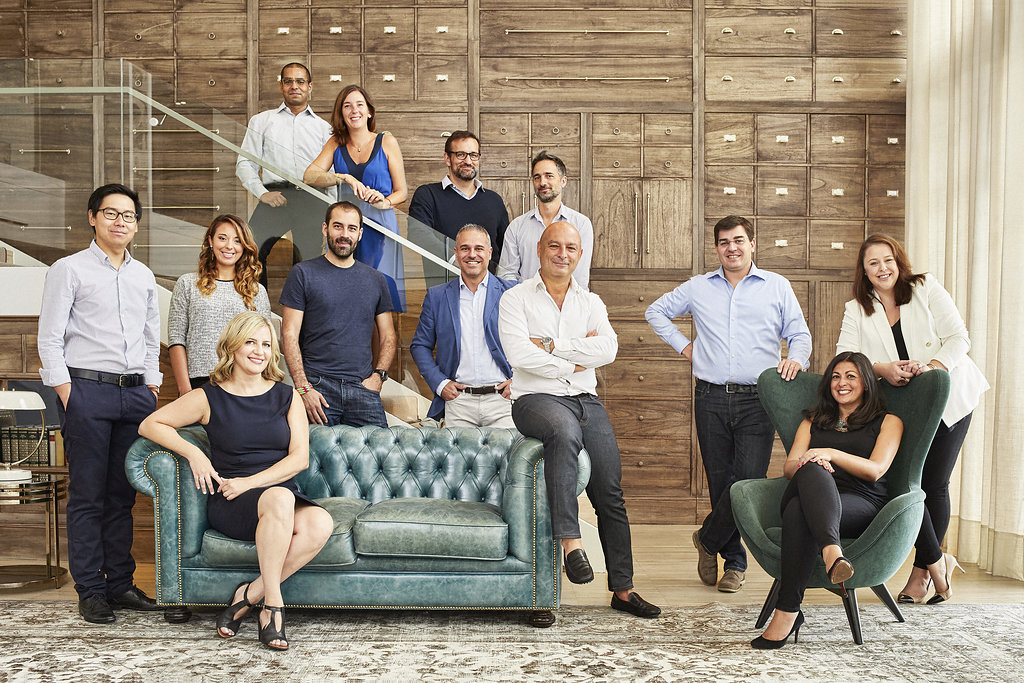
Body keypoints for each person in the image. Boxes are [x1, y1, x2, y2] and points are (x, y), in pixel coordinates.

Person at [139, 312, 333, 651]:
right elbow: (150, 424)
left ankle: (248, 595)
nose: (259, 351)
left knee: (320, 522)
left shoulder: (287, 396)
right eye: (251, 342)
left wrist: (250, 482)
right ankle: (273, 606)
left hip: (273, 493)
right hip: (233, 500)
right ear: (232, 346)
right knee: (280, 499)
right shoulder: (208, 397)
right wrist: (194, 453)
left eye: (266, 344)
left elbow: (299, 459)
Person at [498, 220, 661, 619]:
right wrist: (575, 360)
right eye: (554, 246)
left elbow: (608, 349)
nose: (563, 254)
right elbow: (520, 356)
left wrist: (554, 347)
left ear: (580, 254)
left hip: (587, 400)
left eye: (571, 248)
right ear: (540, 249)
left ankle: (623, 590)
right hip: (534, 400)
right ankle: (572, 544)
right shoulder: (515, 299)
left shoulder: (591, 302)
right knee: (563, 431)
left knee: (610, 491)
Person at [645, 215, 811, 593]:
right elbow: (655, 311)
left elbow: (799, 334)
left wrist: (797, 359)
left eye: (738, 240)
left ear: (752, 244)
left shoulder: (777, 286)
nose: (731, 248)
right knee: (721, 484)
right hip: (710, 398)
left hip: (758, 400)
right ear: (717, 247)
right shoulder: (698, 287)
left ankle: (707, 539)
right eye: (724, 242)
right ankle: (735, 563)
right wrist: (685, 347)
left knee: (747, 482)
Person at [836, 234, 988, 605]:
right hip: (902, 408)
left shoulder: (925, 288)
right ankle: (938, 561)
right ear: (864, 271)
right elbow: (845, 356)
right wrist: (882, 368)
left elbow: (959, 338)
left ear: (899, 262)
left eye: (888, 260)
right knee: (905, 484)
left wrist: (933, 367)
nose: (882, 268)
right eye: (873, 263)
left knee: (934, 484)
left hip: (949, 396)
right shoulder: (856, 308)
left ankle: (921, 573)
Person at [37, 184, 163, 623]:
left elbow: (151, 336)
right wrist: (68, 393)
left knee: (122, 497)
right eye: (111, 213)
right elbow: (49, 338)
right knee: (88, 496)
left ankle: (120, 584)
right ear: (93, 218)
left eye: (128, 215)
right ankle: (90, 589)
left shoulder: (143, 275)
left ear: (136, 225)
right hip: (87, 391)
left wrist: (151, 386)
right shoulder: (68, 269)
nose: (120, 222)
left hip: (135, 396)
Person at [752, 351, 903, 649]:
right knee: (810, 469)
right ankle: (832, 551)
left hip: (860, 501)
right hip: (809, 490)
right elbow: (789, 468)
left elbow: (875, 470)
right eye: (835, 376)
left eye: (850, 376)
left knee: (798, 512)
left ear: (866, 383)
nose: (841, 383)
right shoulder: (813, 421)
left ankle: (787, 613)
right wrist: (813, 461)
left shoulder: (888, 421)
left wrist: (830, 454)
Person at [280, 201, 396, 428]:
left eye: (352, 228)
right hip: (317, 387)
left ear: (360, 234)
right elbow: (289, 334)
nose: (344, 234)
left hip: (363, 388)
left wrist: (378, 376)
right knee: (310, 450)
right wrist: (303, 387)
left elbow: (388, 336)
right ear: (325, 229)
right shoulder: (303, 273)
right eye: (338, 226)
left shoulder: (376, 280)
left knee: (380, 449)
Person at [303, 84, 407, 310]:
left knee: (381, 297)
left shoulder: (386, 141)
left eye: (360, 105)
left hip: (381, 226)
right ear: (341, 113)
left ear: (369, 111)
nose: (354, 110)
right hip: (346, 228)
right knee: (346, 293)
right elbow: (309, 176)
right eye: (347, 106)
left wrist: (385, 202)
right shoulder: (335, 143)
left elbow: (402, 192)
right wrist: (343, 177)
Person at [236, 62, 333, 281]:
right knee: (251, 252)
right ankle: (257, 303)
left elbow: (331, 174)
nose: (294, 86)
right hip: (275, 196)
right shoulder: (261, 121)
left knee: (309, 262)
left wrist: (332, 210)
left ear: (310, 86)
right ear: (281, 86)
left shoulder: (325, 129)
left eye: (300, 81)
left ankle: (303, 305)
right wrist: (262, 193)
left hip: (312, 199)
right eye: (288, 81)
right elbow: (245, 163)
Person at [410, 224, 514, 427]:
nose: (472, 254)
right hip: (457, 402)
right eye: (465, 248)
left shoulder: (511, 293)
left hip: (503, 401)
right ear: (456, 253)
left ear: (489, 253)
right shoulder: (437, 296)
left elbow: (534, 341)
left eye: (479, 248)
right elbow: (420, 346)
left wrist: (519, 381)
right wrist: (440, 383)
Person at [168, 214, 272, 395]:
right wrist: (185, 389)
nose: (229, 246)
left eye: (237, 241)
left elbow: (264, 344)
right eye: (222, 238)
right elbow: (176, 339)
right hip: (199, 383)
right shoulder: (187, 284)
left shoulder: (256, 291)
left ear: (244, 246)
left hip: (244, 384)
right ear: (210, 241)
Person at [408, 130, 510, 283]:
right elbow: (418, 234)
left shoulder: (494, 200)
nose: (468, 161)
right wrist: (458, 260)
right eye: (461, 154)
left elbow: (505, 248)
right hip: (444, 288)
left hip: (489, 290)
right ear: (447, 158)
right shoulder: (427, 195)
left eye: (473, 155)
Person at [497, 151, 593, 289]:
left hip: (566, 302)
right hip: (525, 301)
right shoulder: (516, 227)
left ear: (563, 181)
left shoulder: (581, 225)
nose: (542, 182)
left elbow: (580, 278)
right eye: (537, 177)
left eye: (549, 176)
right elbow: (507, 275)